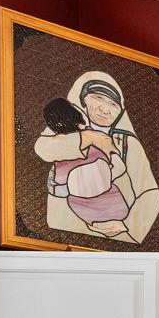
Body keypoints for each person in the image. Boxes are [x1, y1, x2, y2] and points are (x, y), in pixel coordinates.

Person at [32, 71, 159, 244]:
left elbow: (149, 191)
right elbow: (43, 148)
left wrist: (127, 226)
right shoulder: (62, 130)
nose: (105, 109)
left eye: (113, 104)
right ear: (82, 100)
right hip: (64, 230)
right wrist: (89, 138)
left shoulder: (127, 142)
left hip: (115, 227)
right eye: (98, 98)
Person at [41, 98, 130, 236]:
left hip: (85, 203)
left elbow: (58, 187)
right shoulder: (93, 138)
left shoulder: (64, 145)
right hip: (96, 199)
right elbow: (118, 167)